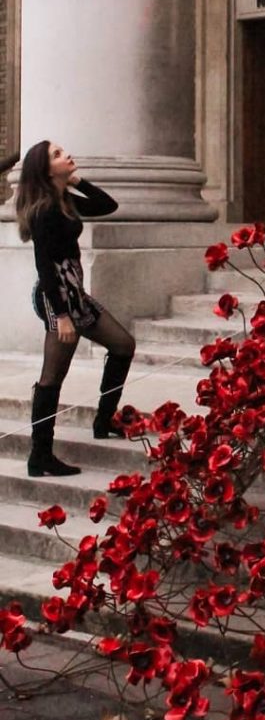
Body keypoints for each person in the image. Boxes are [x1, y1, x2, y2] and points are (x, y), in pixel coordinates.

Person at [15, 141, 135, 476]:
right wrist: (63, 316)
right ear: (45, 169)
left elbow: (107, 204)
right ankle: (40, 455)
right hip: (56, 298)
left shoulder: (63, 200)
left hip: (75, 293)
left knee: (123, 345)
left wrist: (76, 181)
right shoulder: (43, 210)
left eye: (62, 151)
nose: (66, 155)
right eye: (57, 155)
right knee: (52, 376)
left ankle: (104, 420)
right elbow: (44, 267)